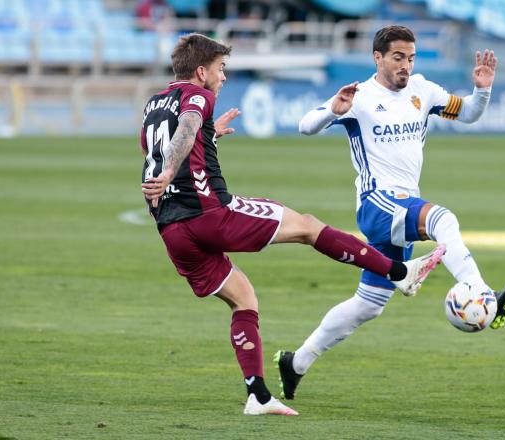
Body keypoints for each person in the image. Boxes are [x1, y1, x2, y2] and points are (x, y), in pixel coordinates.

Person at [139, 33, 445, 416]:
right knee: (307, 226)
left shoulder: (154, 102)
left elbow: (169, 140)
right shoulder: (199, 96)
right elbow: (184, 128)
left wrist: (208, 136)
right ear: (201, 71)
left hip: (171, 228)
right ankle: (399, 271)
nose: (224, 77)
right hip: (209, 213)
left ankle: (258, 395)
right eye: (220, 69)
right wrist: (173, 167)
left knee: (244, 299)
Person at [276, 25, 505, 401]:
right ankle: (480, 291)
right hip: (378, 203)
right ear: (377, 58)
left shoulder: (423, 90)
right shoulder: (359, 97)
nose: (405, 65)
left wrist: (483, 89)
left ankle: (296, 363)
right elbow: (304, 125)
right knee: (444, 220)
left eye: (410, 57)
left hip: (403, 206)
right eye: (397, 57)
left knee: (368, 306)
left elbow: (469, 113)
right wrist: (332, 110)